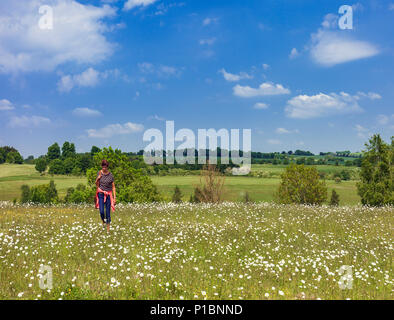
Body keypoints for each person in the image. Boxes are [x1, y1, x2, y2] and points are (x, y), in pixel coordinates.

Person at [95, 160, 116, 233]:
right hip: (101, 194)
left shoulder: (111, 175)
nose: (104, 168)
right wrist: (98, 177)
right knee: (101, 211)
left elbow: (113, 187)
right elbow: (96, 183)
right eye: (102, 166)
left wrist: (114, 198)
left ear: (107, 167)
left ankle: (108, 230)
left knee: (108, 212)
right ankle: (103, 221)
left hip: (108, 195)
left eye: (105, 166)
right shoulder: (99, 173)